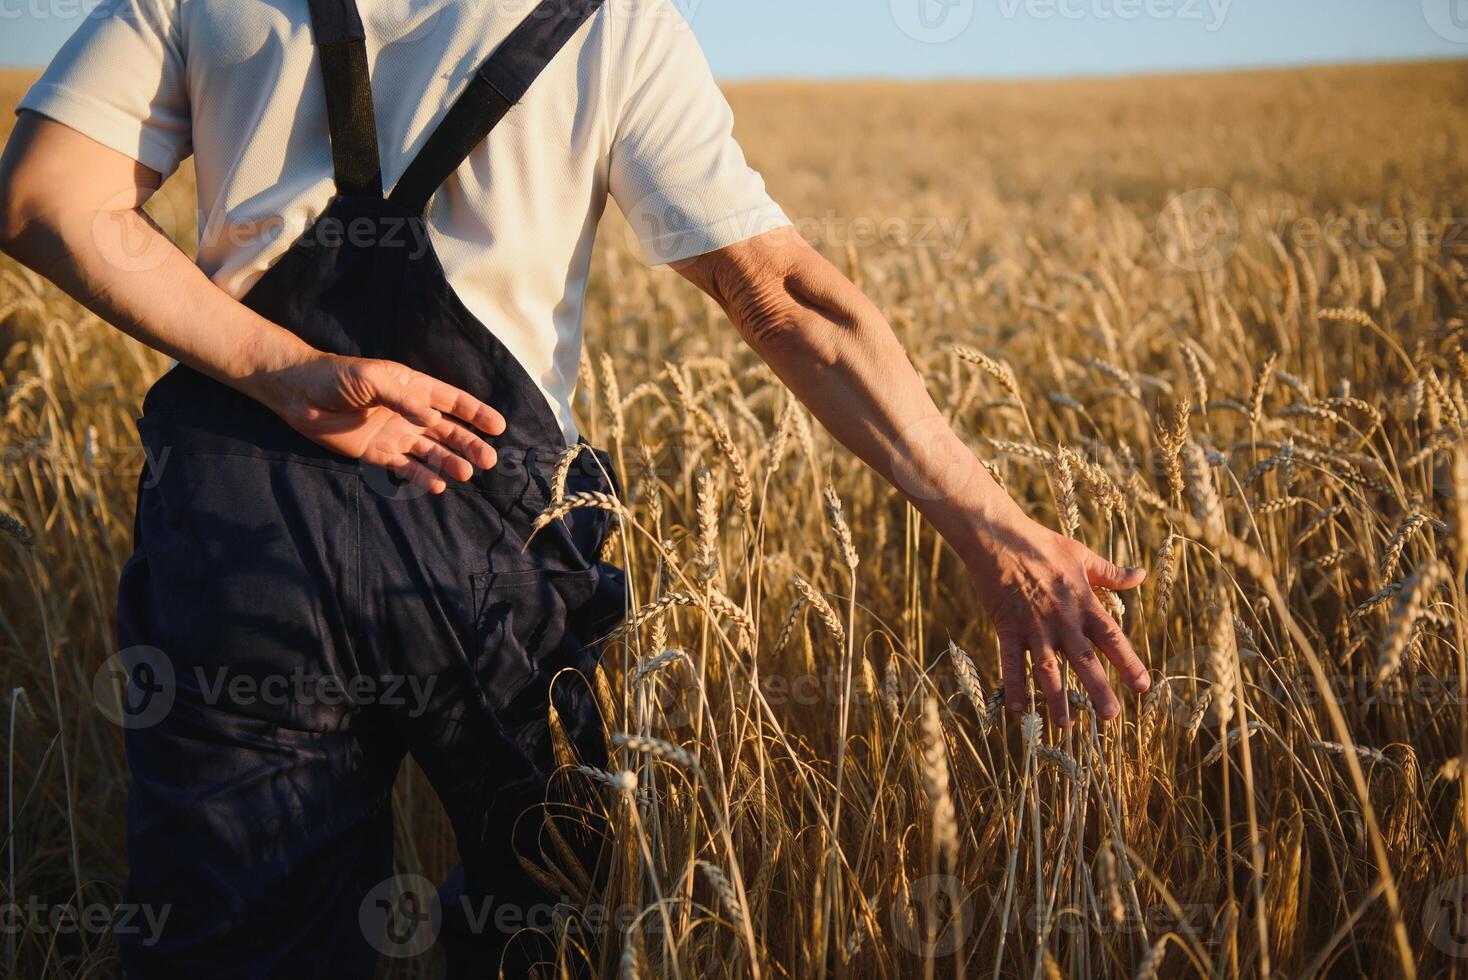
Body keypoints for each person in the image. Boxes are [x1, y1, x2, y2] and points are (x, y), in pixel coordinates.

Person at [0, 0, 1149, 974]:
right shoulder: (613, 21)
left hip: (240, 542)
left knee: (238, 937)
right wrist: (987, 519)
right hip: (497, 539)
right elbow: (780, 298)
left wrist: (286, 371)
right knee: (547, 919)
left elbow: (46, 199)